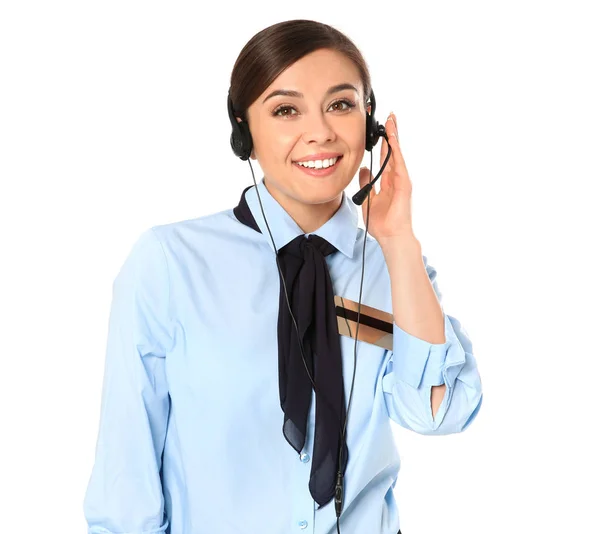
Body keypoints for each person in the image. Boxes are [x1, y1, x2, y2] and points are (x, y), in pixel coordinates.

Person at [83, 19, 483, 534]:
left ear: (371, 123)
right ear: (243, 132)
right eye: (286, 110)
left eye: (341, 104)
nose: (320, 132)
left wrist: (399, 240)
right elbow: (126, 478)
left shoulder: (394, 270)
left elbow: (438, 412)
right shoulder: (170, 262)